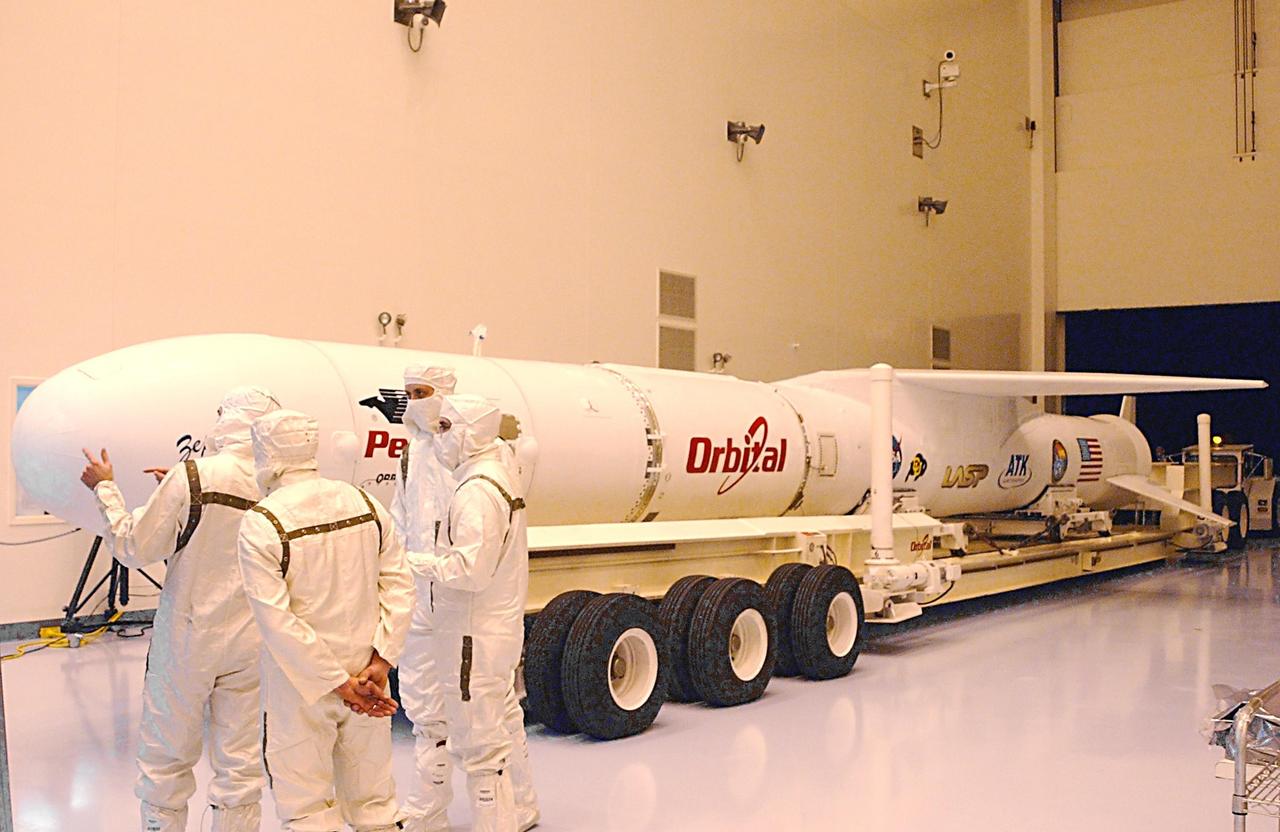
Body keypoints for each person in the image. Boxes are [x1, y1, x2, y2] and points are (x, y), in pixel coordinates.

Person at [79, 385, 280, 832]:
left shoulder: (193, 475)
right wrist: (182, 493)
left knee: (166, 760)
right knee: (241, 764)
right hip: (253, 643)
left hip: (189, 638)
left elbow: (132, 545)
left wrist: (106, 489)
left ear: (225, 421)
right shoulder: (277, 484)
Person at [237, 409, 413, 832]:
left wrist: (337, 682)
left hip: (301, 688)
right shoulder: (365, 502)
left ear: (267, 454)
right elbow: (399, 582)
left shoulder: (263, 523)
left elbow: (277, 621)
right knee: (374, 801)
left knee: (307, 806)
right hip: (369, 675)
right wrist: (381, 662)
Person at [395, 368, 539, 832]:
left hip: (466, 606)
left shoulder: (476, 462)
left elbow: (472, 560)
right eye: (410, 394)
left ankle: (517, 806)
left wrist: (422, 563)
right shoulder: (412, 456)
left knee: (488, 713)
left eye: (426, 394)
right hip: (426, 603)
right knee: (425, 710)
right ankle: (428, 809)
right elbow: (404, 522)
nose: (417, 403)